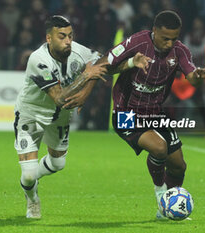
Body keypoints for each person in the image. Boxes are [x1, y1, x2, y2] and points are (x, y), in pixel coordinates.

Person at [73, 10, 205, 219]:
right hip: (125, 113)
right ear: (154, 31)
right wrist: (86, 91)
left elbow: (192, 76)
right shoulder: (136, 43)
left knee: (179, 166)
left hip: (154, 112)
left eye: (174, 38)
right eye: (165, 38)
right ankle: (161, 195)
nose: (170, 43)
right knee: (159, 148)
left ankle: (166, 210)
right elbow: (102, 65)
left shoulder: (180, 50)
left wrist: (198, 77)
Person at [14, 15, 150, 219]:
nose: (68, 41)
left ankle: (34, 179)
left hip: (59, 116)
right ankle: (32, 199)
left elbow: (105, 65)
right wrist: (87, 75)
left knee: (58, 164)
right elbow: (59, 97)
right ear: (49, 38)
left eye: (70, 35)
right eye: (62, 36)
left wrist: (131, 62)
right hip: (31, 114)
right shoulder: (38, 60)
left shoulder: (80, 52)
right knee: (28, 174)